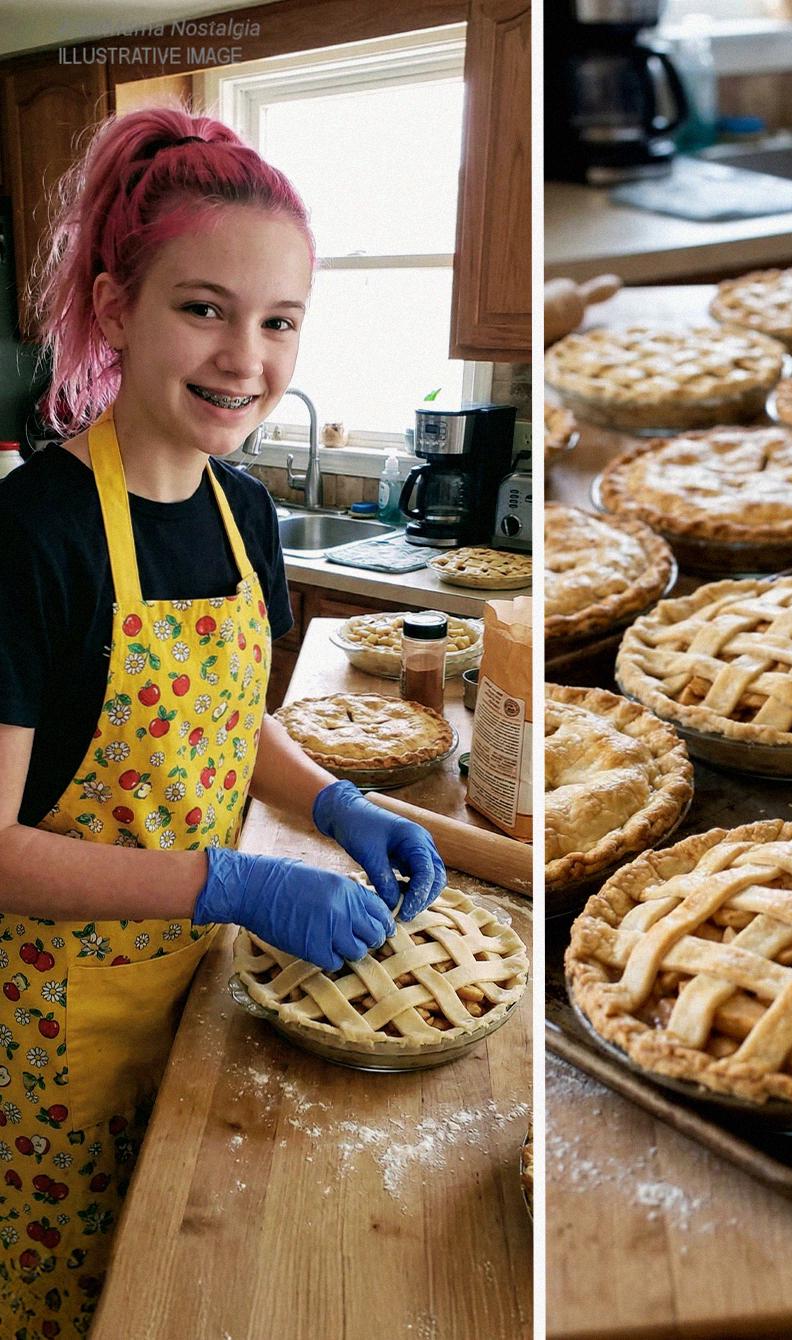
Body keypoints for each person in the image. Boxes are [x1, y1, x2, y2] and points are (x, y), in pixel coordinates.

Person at [0, 106, 446, 1338]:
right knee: (69, 1301)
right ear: (114, 306)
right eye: (204, 308)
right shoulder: (31, 541)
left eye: (279, 320)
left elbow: (222, 722)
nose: (245, 357)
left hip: (205, 992)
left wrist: (335, 800)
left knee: (189, 1283)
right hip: (55, 1031)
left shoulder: (245, 514)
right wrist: (231, 880)